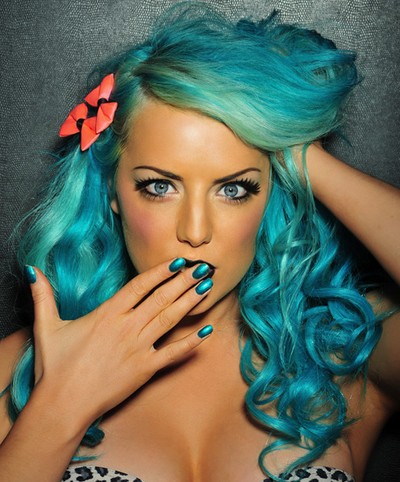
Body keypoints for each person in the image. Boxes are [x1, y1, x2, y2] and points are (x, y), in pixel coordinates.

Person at [0, 3, 399, 481]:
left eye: (234, 189)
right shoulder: (20, 370)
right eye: (159, 186)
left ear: (272, 193)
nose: (194, 231)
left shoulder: (343, 350)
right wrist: (60, 407)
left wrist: (293, 149)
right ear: (112, 192)